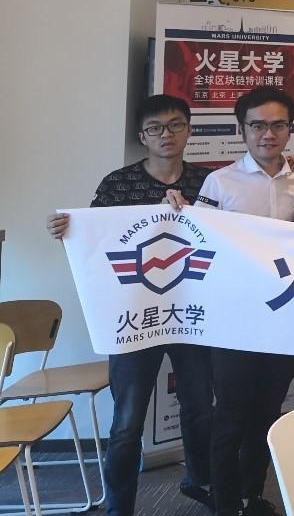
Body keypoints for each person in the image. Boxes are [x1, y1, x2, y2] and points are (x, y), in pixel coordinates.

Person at [46, 94, 214, 516]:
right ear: (142, 136)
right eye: (155, 128)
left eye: (176, 125)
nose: (166, 134)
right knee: (127, 420)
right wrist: (66, 230)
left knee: (199, 407)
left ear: (189, 130)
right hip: (133, 317)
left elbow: (227, 238)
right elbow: (96, 240)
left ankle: (200, 483)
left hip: (193, 314)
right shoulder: (117, 184)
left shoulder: (209, 183)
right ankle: (118, 506)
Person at [188, 87, 294, 516]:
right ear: (241, 129)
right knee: (230, 415)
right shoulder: (219, 182)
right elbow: (197, 241)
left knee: (268, 412)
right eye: (257, 125)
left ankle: (251, 495)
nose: (267, 134)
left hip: (284, 317)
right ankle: (224, 502)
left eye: (277, 125)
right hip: (233, 319)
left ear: (289, 129)